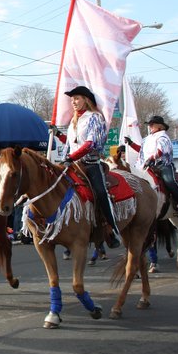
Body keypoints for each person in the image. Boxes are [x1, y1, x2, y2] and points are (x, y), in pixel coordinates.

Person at [49, 86, 121, 248]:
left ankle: (111, 229)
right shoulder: (74, 121)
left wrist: (71, 157)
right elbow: (71, 143)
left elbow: (90, 144)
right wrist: (59, 136)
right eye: (72, 99)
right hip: (72, 165)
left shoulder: (95, 117)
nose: (73, 102)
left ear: (86, 100)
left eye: (77, 98)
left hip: (90, 164)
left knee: (101, 192)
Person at [125, 115, 178, 216]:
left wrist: (153, 158)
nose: (150, 126)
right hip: (146, 166)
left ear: (159, 126)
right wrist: (131, 143)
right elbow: (142, 151)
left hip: (163, 165)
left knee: (169, 181)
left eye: (152, 124)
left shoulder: (163, 137)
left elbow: (161, 150)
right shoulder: (147, 139)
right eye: (150, 124)